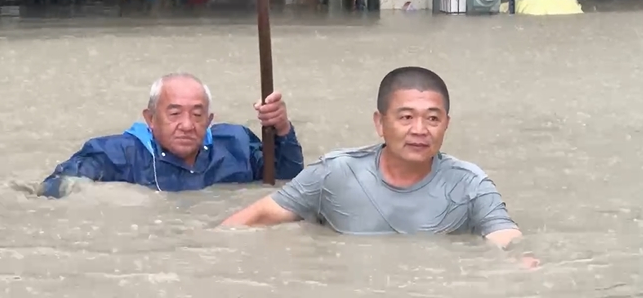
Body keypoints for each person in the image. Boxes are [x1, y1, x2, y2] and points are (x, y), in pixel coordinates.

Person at [222, 67, 528, 251]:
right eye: (406, 117)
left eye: (432, 119)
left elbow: (506, 237)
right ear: (380, 123)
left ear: (446, 124)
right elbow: (253, 219)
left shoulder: (469, 185)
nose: (419, 130)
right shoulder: (336, 173)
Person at [38, 73, 304, 198]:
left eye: (197, 115)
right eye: (174, 114)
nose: (187, 125)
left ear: (210, 120)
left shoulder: (237, 145)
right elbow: (55, 185)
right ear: (150, 119)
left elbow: (288, 179)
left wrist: (281, 129)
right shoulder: (118, 154)